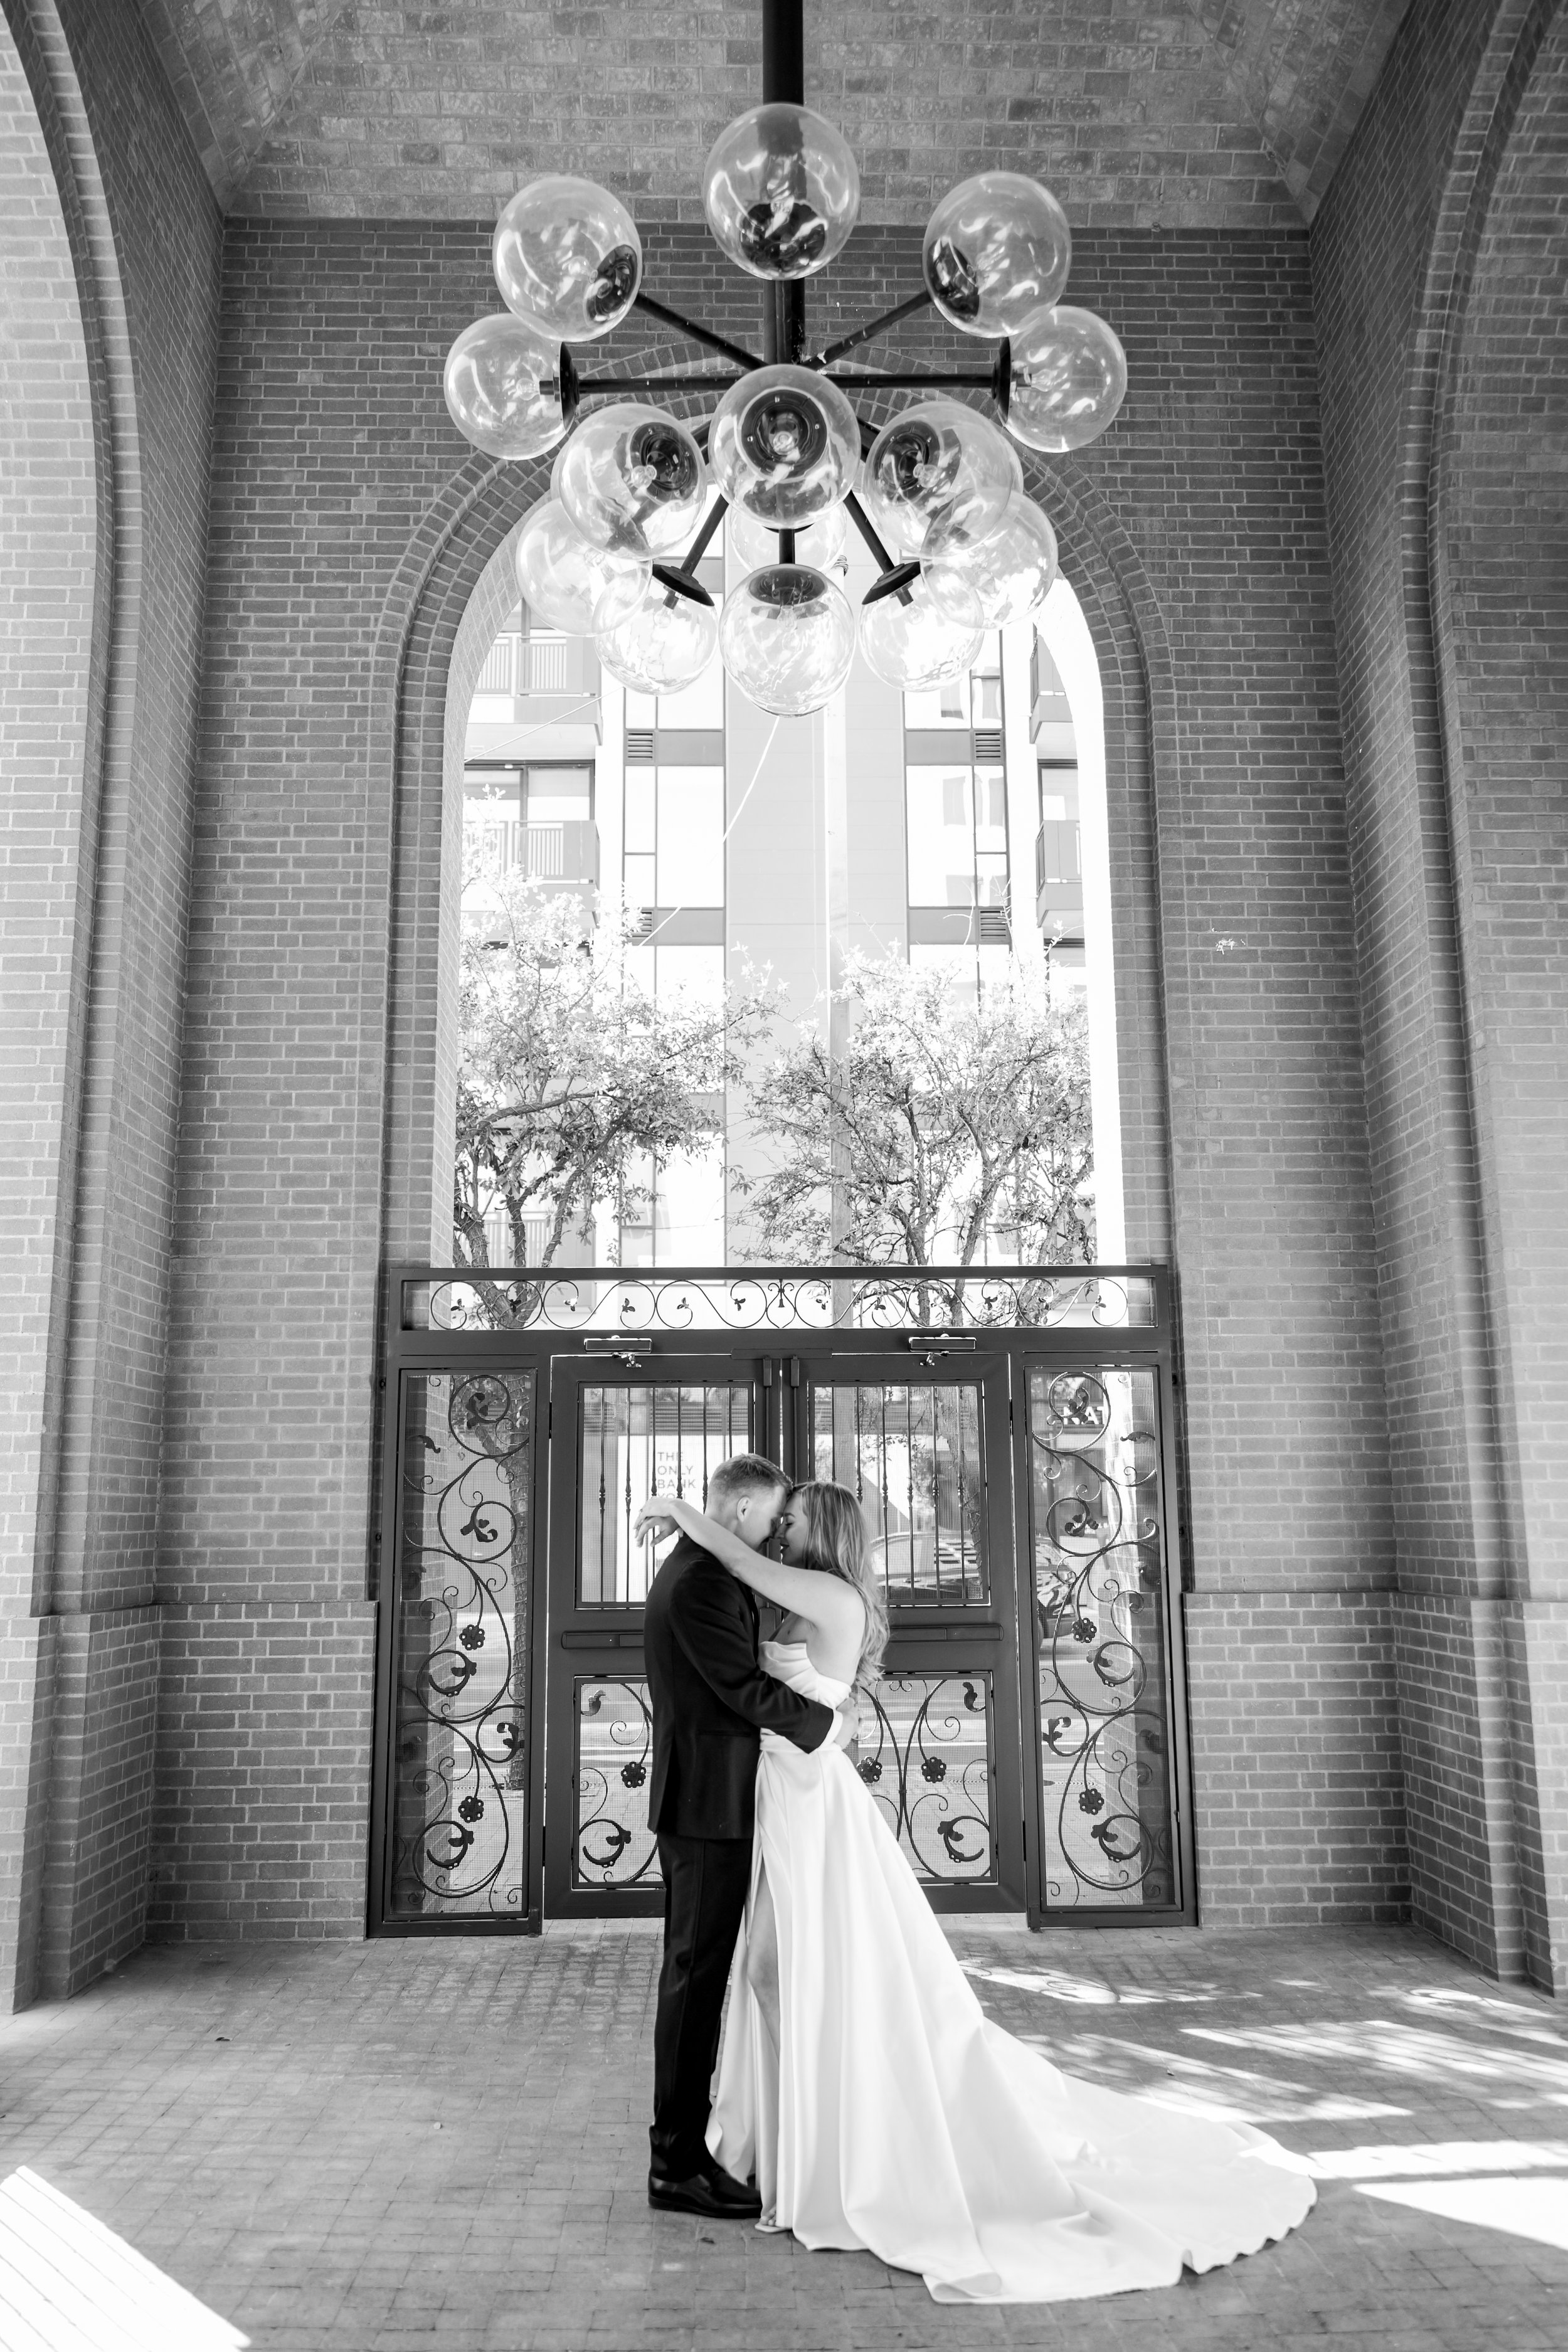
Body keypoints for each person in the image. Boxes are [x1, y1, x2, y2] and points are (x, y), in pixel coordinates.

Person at [633, 1475, 1316, 2306]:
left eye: (794, 1520)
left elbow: (747, 1599)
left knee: (808, 1966)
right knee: (770, 1971)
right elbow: (741, 1633)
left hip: (803, 1795)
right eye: (779, 1517)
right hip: (767, 1796)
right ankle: (774, 2137)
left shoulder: (810, 1587)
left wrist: (681, 1514)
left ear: (823, 1531)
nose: (781, 1530)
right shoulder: (750, 1583)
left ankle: (821, 2138)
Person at [640, 1450, 854, 2221]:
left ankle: (687, 2152)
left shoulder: (705, 1570)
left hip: (718, 1802)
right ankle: (675, 2165)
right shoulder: (700, 1582)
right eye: (771, 1517)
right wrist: (824, 1724)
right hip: (706, 1809)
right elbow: (741, 1687)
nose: (774, 1532)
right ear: (739, 1511)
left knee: (701, 1980)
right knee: (694, 1983)